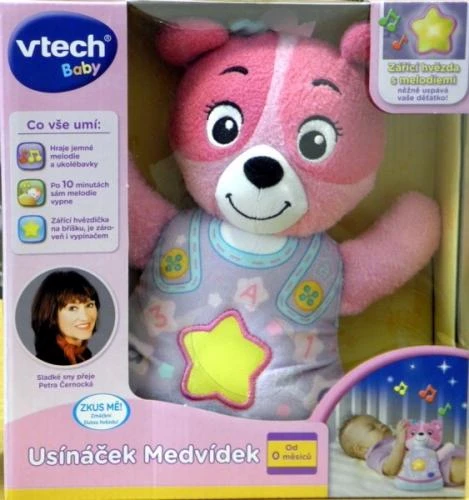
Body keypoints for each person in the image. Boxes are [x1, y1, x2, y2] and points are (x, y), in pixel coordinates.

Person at [338, 414, 466, 487]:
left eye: (378, 422)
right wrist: (400, 441)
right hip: (436, 467)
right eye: (372, 428)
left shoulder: (394, 438)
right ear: (360, 449)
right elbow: (390, 469)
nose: (380, 425)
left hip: (446, 451)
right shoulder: (375, 453)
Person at [31, 270, 100, 365]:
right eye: (73, 308)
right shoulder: (48, 361)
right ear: (52, 315)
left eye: (89, 305)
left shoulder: (84, 355)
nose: (85, 317)